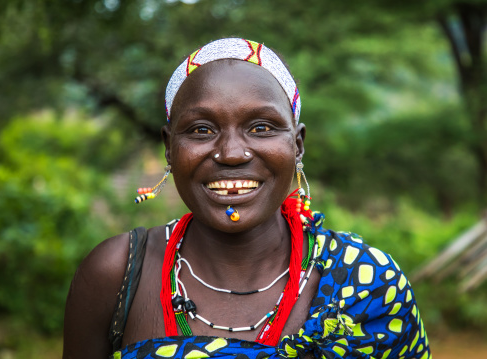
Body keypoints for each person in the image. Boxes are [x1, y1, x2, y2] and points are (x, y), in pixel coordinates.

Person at [63, 38, 431, 359]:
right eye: (201, 129)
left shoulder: (370, 283)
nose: (232, 153)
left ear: (298, 144)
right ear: (169, 148)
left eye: (261, 128)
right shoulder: (116, 273)